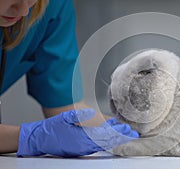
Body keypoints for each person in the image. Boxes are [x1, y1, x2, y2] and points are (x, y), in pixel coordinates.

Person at [0, 0, 139, 157]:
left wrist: (139, 127)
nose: (24, 11)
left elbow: (64, 107)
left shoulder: (53, 6)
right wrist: (32, 137)